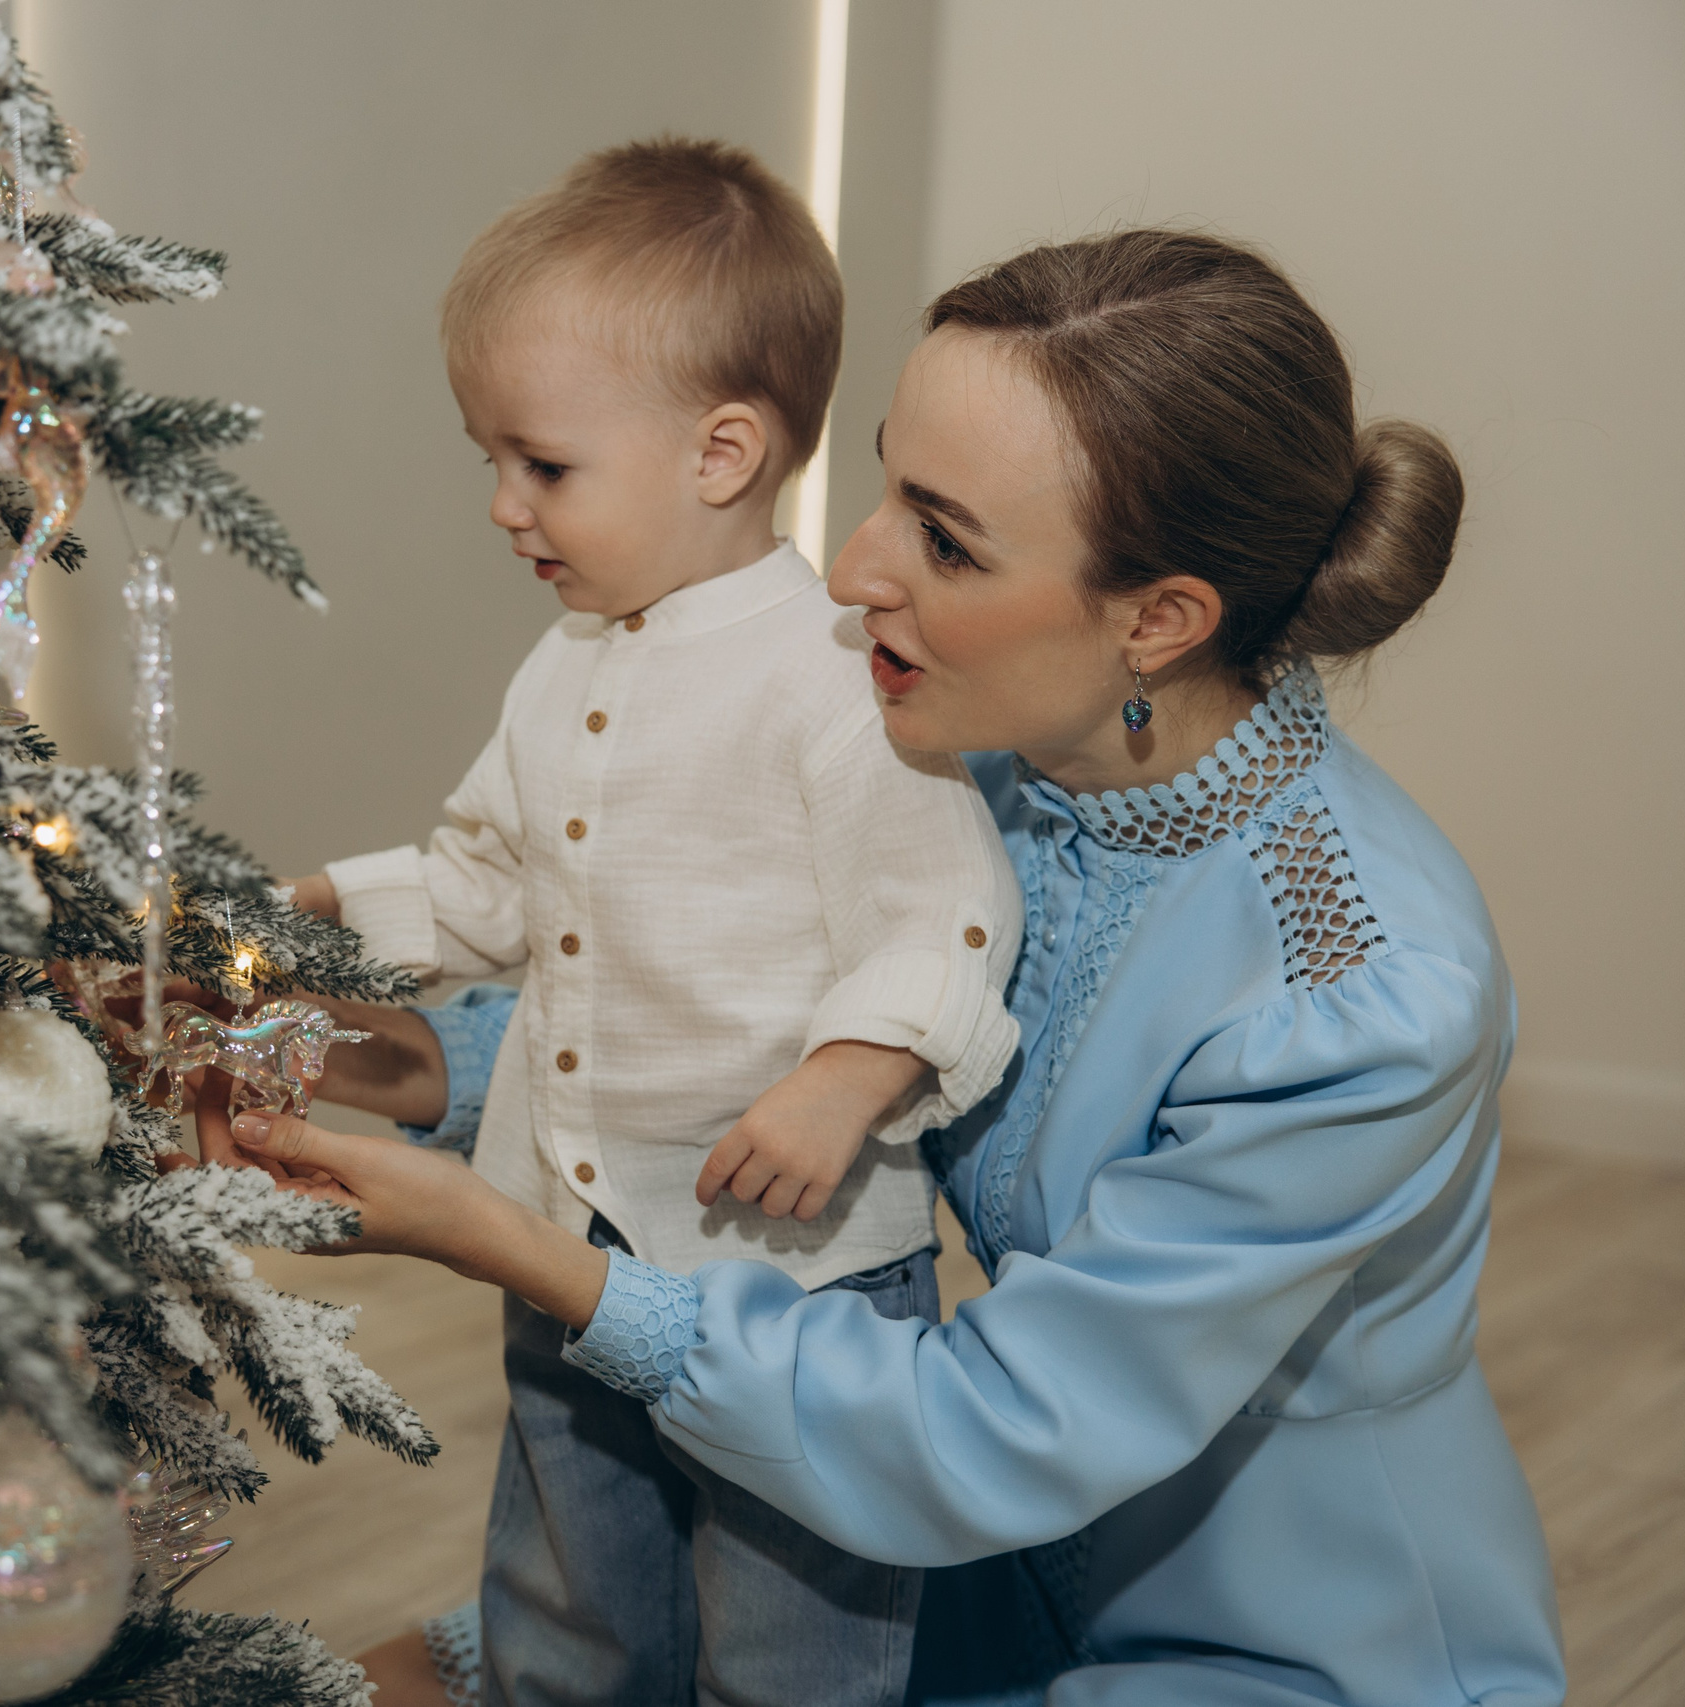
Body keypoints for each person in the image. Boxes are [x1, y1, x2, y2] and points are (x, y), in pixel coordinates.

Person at [221, 229, 1569, 1706]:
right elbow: (707, 1029)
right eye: (883, 487)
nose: (853, 570)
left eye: (946, 541)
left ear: (1159, 621)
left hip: (1249, 1642)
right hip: (935, 1551)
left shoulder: (1363, 995)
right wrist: (301, 1034)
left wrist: (508, 1245)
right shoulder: (969, 768)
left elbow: (992, 1427)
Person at [263, 139, 1025, 1707]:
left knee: (795, 1632)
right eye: (490, 460)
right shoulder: (565, 667)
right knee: (572, 1598)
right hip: (567, 1244)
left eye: (542, 466)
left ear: (721, 452)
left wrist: (846, 1081)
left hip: (795, 1281)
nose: (503, 506)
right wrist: (309, 917)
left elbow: (949, 915)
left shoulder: (836, 679)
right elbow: (487, 884)